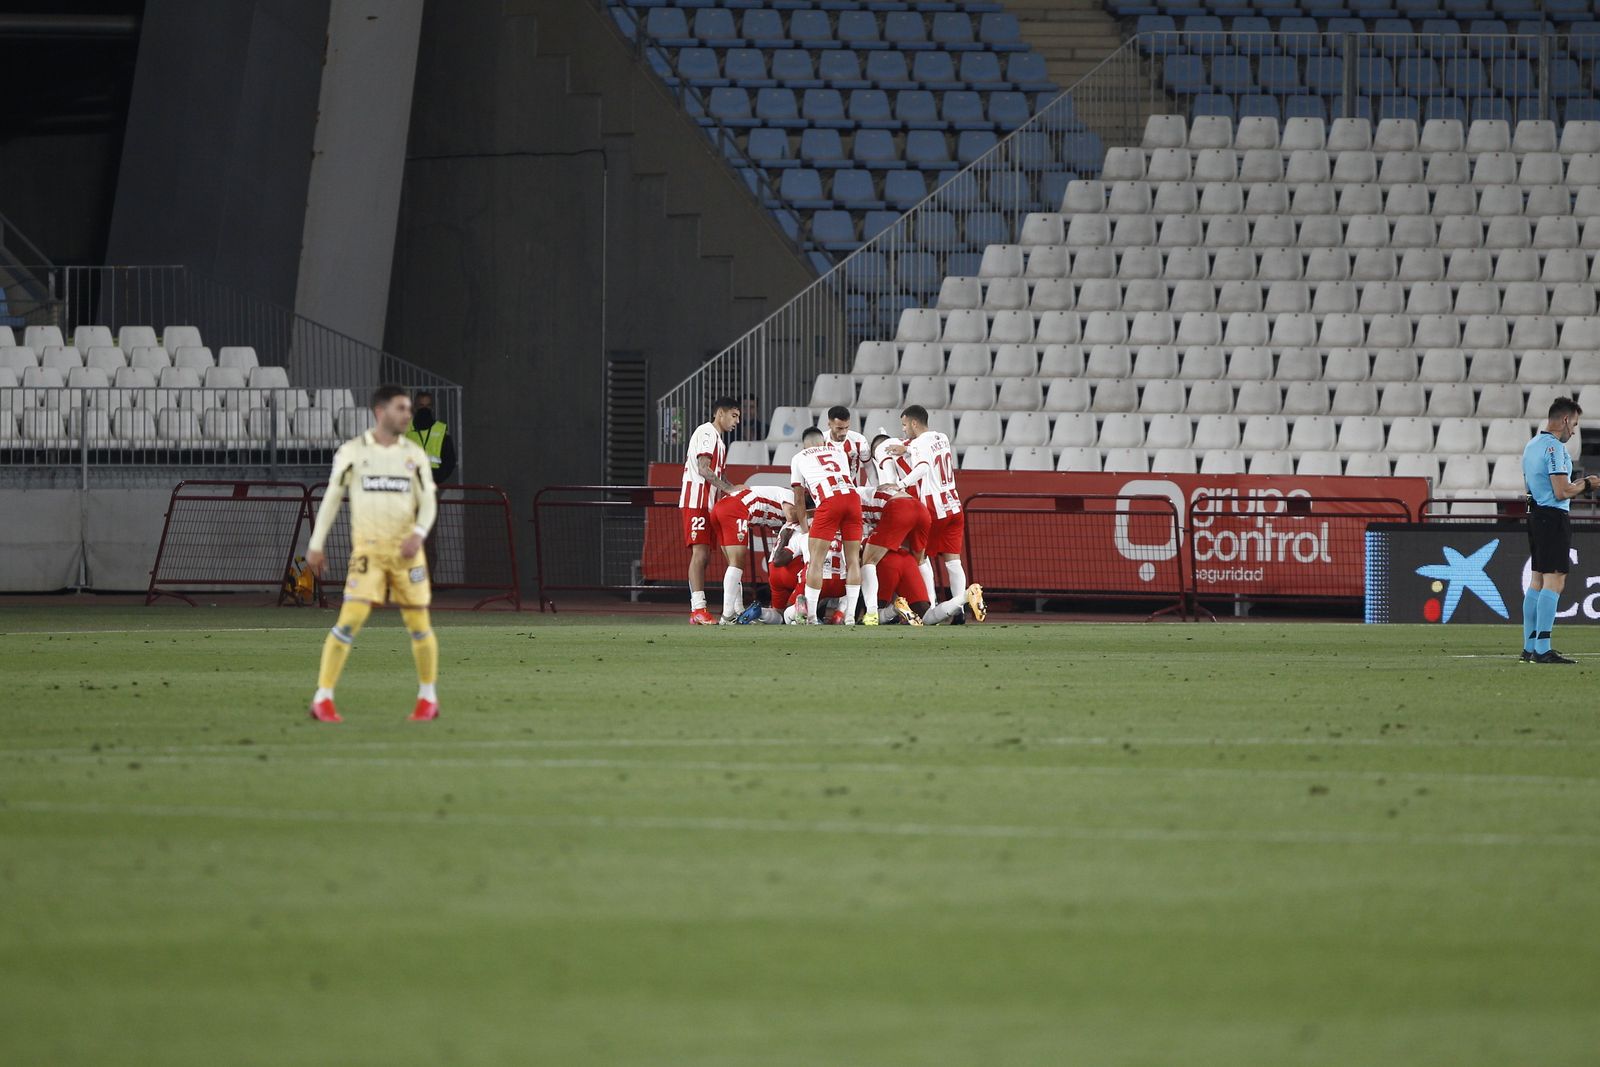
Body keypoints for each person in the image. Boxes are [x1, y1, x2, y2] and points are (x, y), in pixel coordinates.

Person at [305, 385, 440, 723]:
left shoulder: (414, 454)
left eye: (409, 408)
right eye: (401, 408)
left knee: (419, 624)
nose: (408, 414)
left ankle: (428, 698)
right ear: (381, 412)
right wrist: (316, 543)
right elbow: (332, 498)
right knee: (349, 620)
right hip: (369, 552)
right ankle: (323, 697)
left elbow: (428, 502)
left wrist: (419, 534)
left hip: (408, 554)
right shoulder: (353, 452)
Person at [888, 405, 986, 622]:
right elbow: (926, 452)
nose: (904, 430)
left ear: (914, 423)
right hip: (953, 503)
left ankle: (930, 608)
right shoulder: (941, 437)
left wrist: (901, 484)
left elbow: (923, 466)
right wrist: (907, 449)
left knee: (920, 557)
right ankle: (959, 608)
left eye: (905, 425)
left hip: (934, 507)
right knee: (953, 561)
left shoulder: (919, 443)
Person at [1520, 396, 1598, 664]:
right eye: (1574, 424)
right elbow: (1561, 491)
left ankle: (1529, 647)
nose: (1574, 430)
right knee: (1555, 581)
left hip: (1535, 515)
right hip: (1552, 517)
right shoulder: (1554, 449)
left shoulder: (1532, 446)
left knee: (1537, 581)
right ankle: (1543, 648)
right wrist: (1588, 484)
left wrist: (1573, 484)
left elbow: (1538, 486)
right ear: (1565, 420)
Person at [789, 426, 863, 625]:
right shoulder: (838, 452)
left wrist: (805, 527)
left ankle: (812, 616)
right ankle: (850, 617)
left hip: (829, 500)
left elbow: (798, 497)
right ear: (822, 441)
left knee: (816, 561)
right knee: (853, 560)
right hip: (853, 499)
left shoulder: (799, 457)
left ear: (805, 444)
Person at [680, 397, 744, 625]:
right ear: (720, 413)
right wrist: (728, 488)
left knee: (729, 554)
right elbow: (704, 469)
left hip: (711, 503)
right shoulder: (707, 432)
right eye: (734, 415)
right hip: (696, 500)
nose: (737, 421)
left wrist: (733, 489)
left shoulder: (719, 440)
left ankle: (736, 609)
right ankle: (698, 609)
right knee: (701, 554)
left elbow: (718, 474)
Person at [709, 485, 796, 623]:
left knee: (733, 565)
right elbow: (791, 516)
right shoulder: (790, 494)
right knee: (737, 563)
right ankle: (727, 615)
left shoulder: (773, 501)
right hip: (736, 508)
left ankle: (737, 610)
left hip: (720, 507)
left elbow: (780, 530)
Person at [405, 391, 456, 482]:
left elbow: (450, 460)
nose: (424, 409)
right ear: (415, 407)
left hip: (433, 481)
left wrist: (438, 478)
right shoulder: (405, 429)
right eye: (421, 405)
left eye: (428, 406)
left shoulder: (440, 430)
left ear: (432, 408)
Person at [824, 405, 871, 486]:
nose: (844, 432)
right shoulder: (820, 441)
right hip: (828, 490)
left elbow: (869, 467)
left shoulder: (859, 440)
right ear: (829, 424)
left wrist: (875, 486)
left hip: (853, 488)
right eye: (839, 428)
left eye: (846, 427)